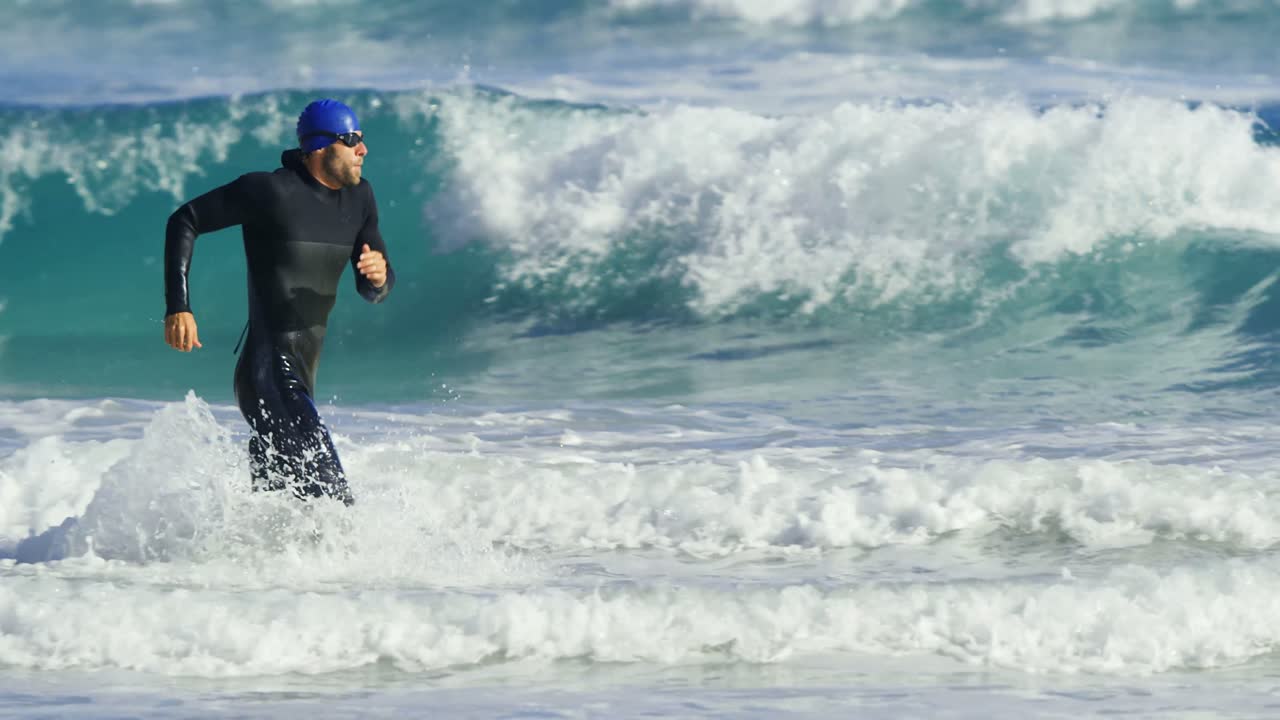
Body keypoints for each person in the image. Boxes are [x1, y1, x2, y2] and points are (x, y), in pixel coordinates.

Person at [162, 99, 395, 506]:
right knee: (333, 498)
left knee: (282, 514)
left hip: (302, 378)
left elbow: (372, 287)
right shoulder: (269, 190)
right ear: (321, 147)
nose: (364, 150)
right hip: (267, 374)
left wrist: (378, 277)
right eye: (352, 140)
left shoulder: (361, 199)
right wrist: (178, 307)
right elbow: (185, 219)